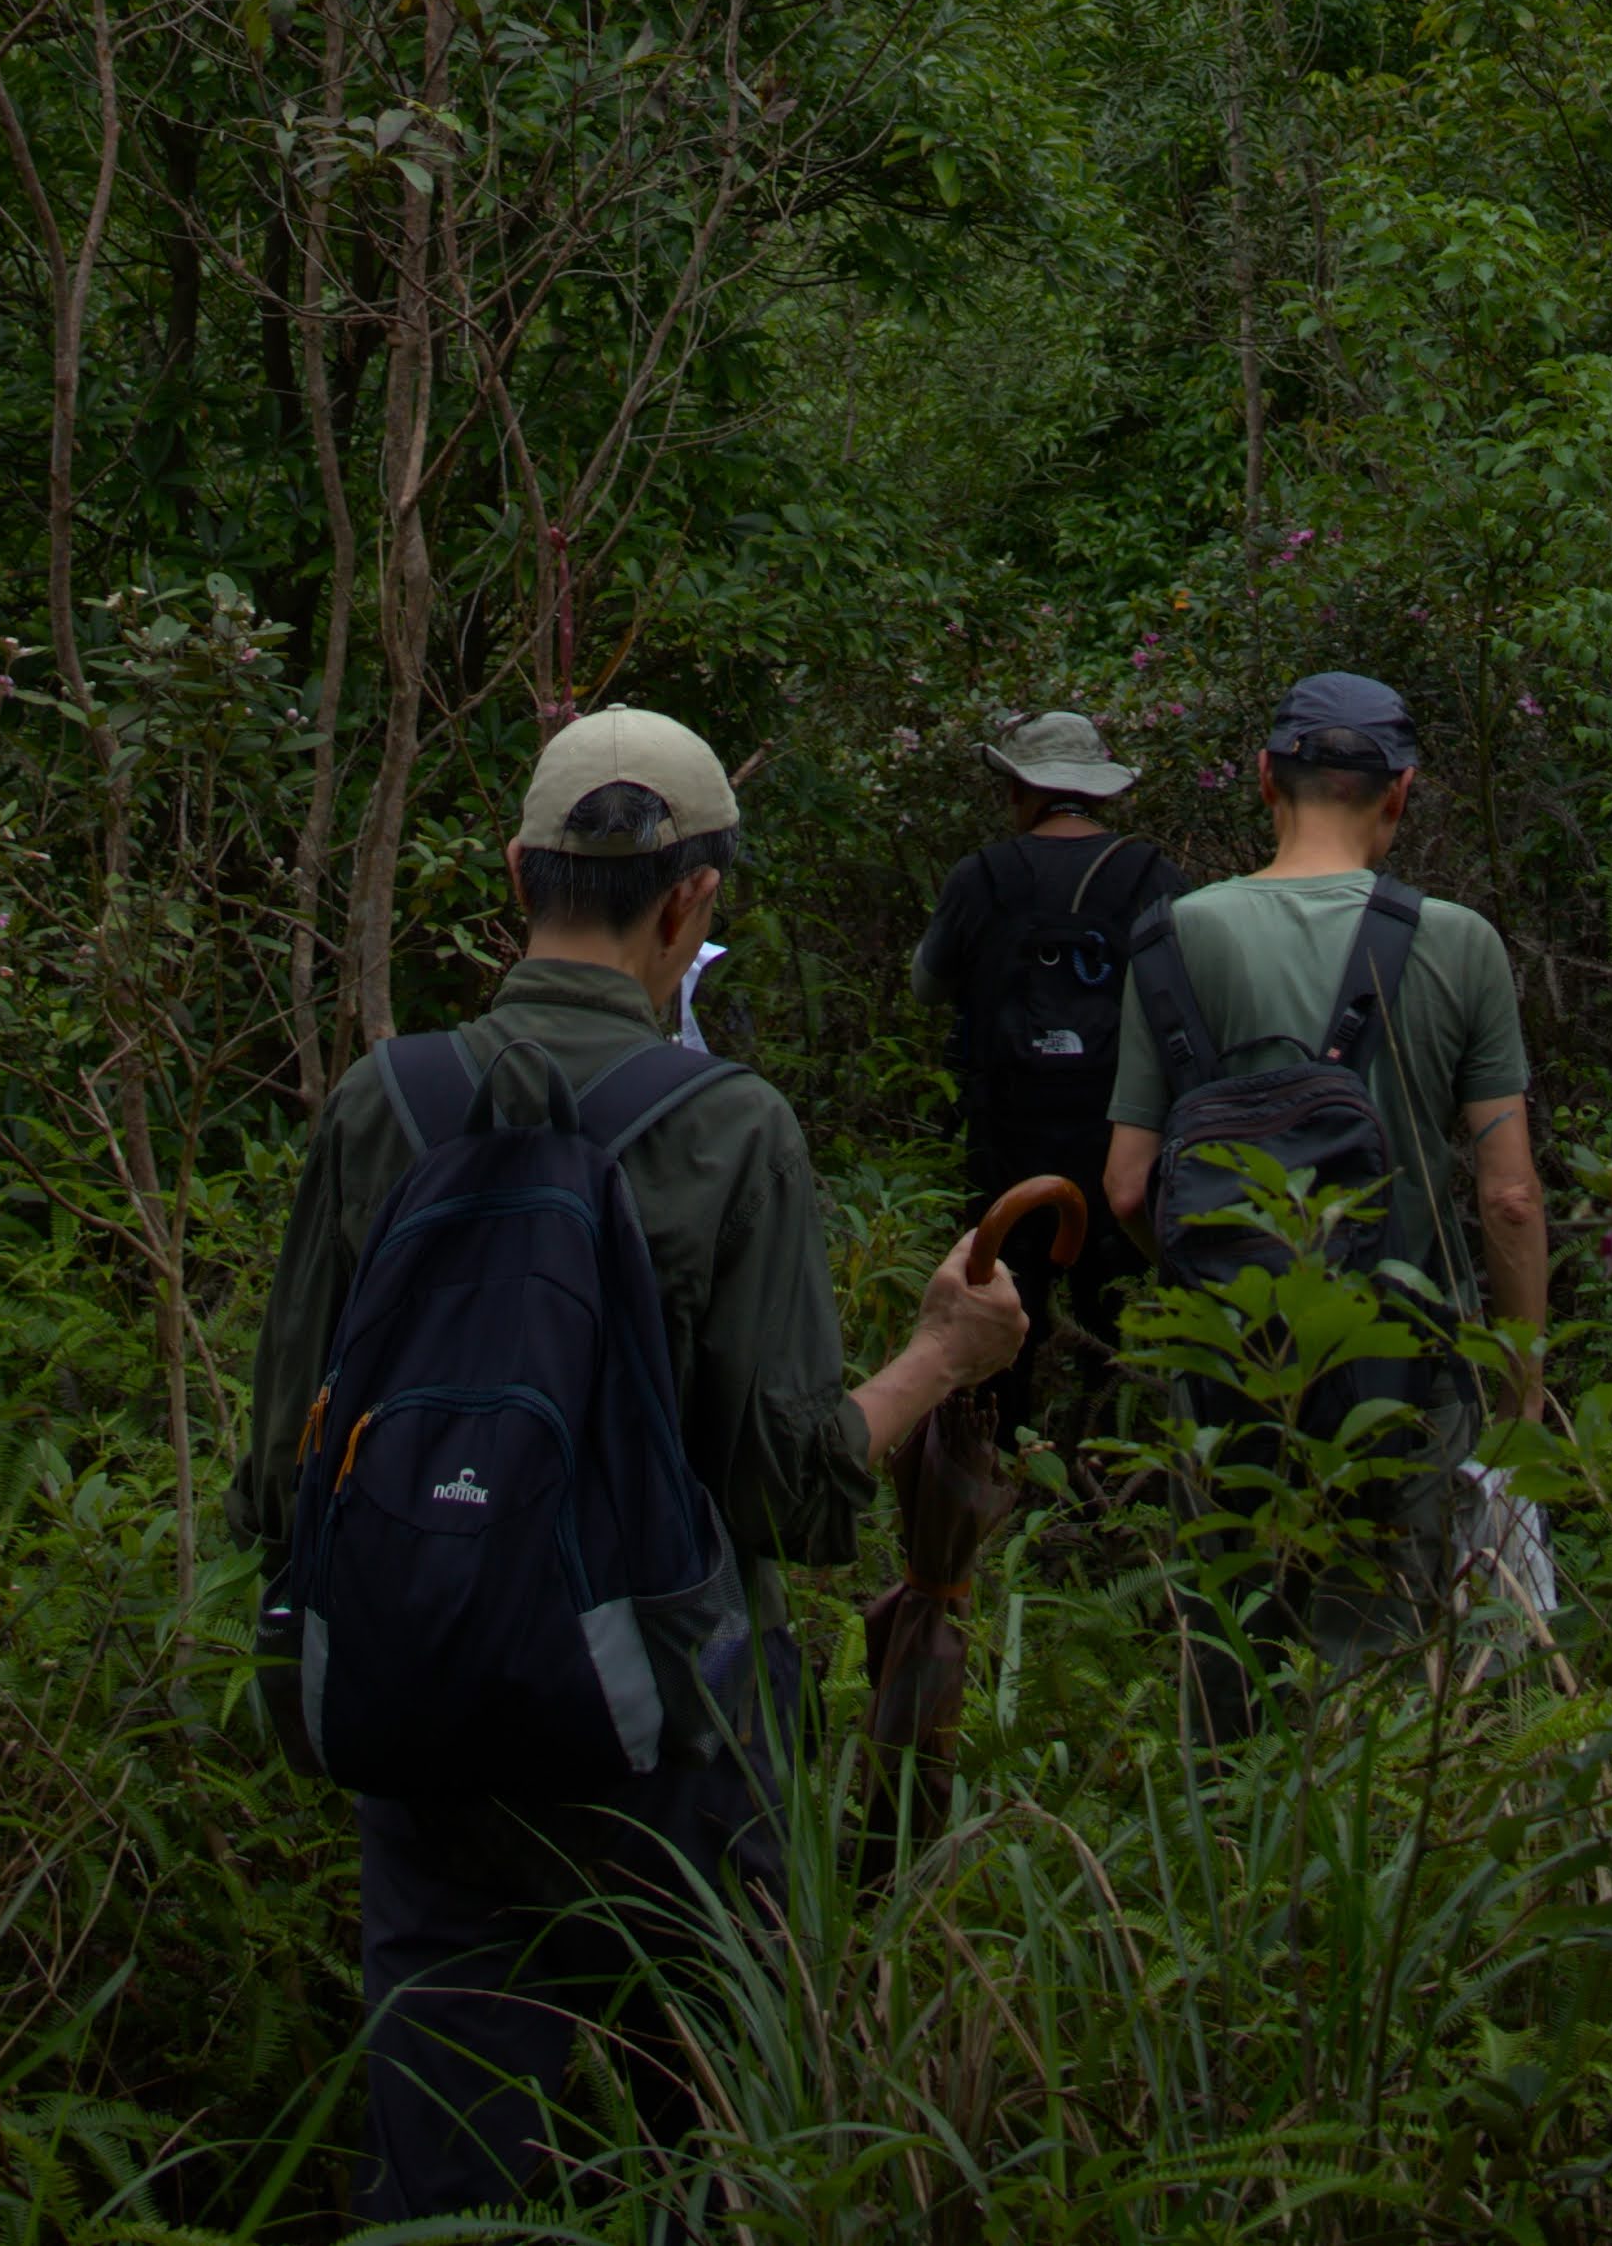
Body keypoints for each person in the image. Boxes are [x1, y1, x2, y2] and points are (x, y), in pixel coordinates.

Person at [233, 706, 1027, 2223]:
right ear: (692, 901)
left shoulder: (378, 1103)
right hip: (673, 1743)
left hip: (420, 1727)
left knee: (444, 2171)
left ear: (514, 873)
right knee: (698, 2155)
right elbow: (790, 1492)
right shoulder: (729, 1127)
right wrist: (939, 1355)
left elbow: (280, 1475)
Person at [1103, 667, 1547, 1709]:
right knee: (1386, 1667)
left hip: (1229, 1372)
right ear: (1401, 791)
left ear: (1264, 777)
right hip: (1410, 1371)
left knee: (1230, 1655)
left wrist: (1221, 1291)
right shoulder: (1458, 944)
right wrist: (1521, 1388)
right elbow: (1510, 1198)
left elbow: (1127, 1187)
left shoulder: (1175, 935)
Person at [911, 706, 1181, 1445]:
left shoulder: (982, 875)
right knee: (1113, 1311)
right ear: (1100, 792)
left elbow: (927, 987)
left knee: (1003, 1296)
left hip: (1007, 1134)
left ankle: (992, 1460)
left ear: (1019, 789)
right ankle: (1108, 1465)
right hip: (1121, 1138)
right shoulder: (1153, 875)